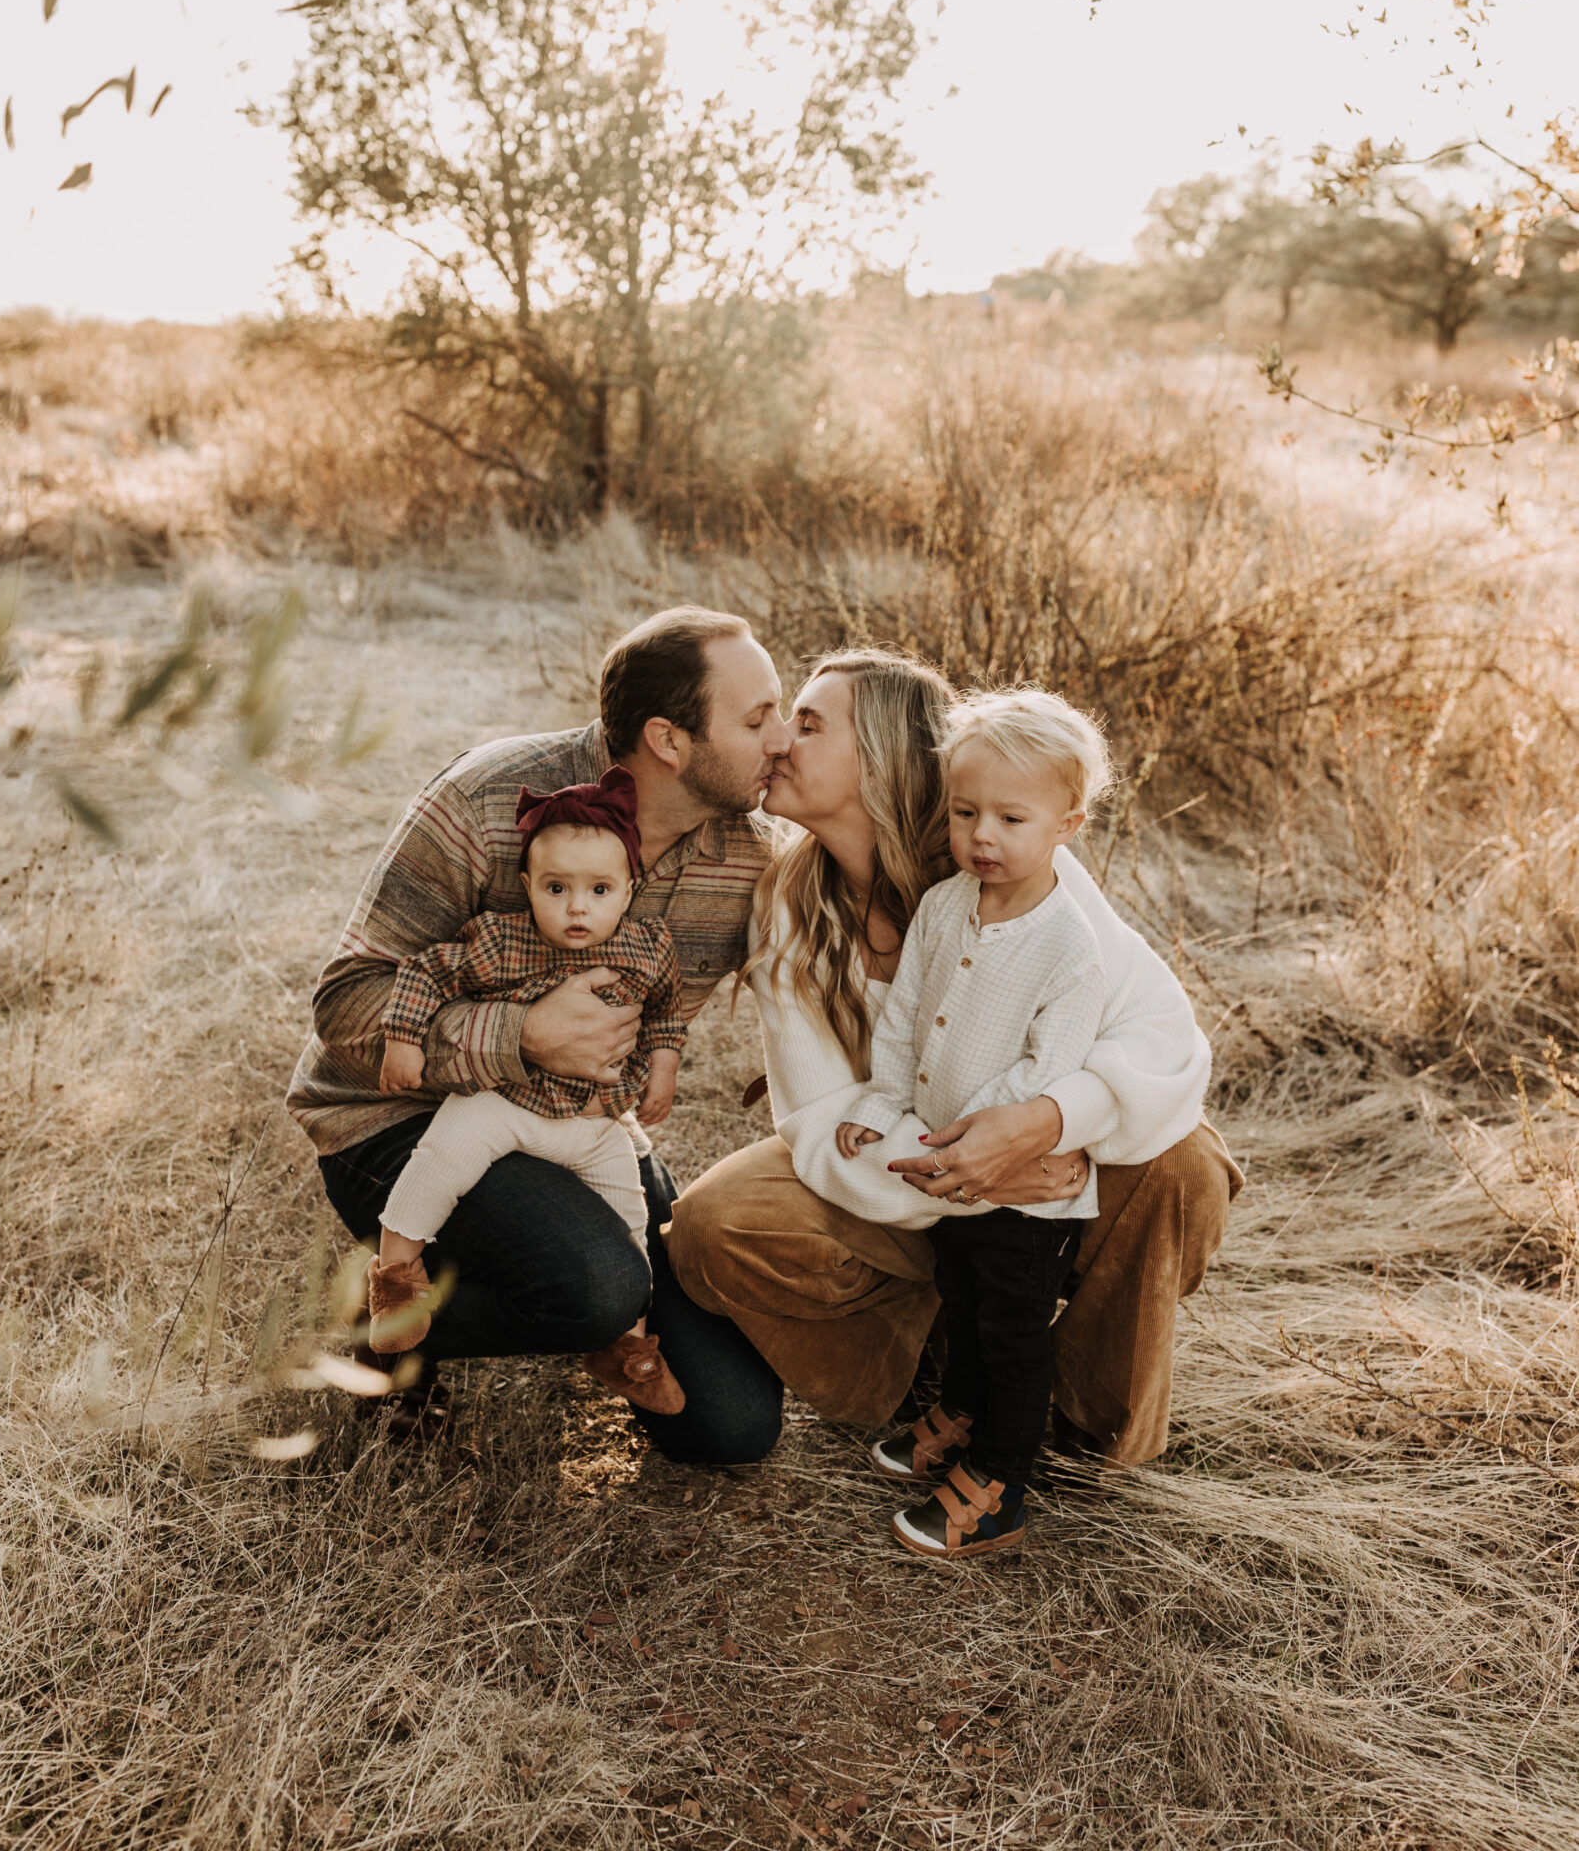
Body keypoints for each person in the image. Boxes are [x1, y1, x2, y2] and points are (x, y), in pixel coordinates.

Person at [665, 649, 1242, 1471]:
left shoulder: (1009, 857)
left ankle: (1083, 1425)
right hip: (907, 1174)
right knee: (712, 1225)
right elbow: (819, 1115)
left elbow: (1163, 1040)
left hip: (1044, 1164)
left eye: (810, 722)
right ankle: (928, 1368)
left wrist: (1044, 1126)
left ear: (882, 759)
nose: (783, 740)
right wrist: (968, 1174)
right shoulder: (789, 909)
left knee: (1182, 1165)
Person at [287, 605, 792, 1462]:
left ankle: (574, 1310)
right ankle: (394, 1324)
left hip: (583, 1123)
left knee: (729, 1427)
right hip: (397, 1124)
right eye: (757, 719)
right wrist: (522, 1033)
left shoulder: (749, 854)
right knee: (595, 1284)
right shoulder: (488, 797)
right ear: (668, 741)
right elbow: (345, 1009)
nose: (781, 739)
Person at [839, 688, 1113, 1561]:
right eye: (965, 813)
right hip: (943, 1165)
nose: (982, 836)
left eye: (1010, 817)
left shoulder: (1068, 943)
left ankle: (999, 1481)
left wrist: (979, 1143)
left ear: (1067, 824)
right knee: (958, 1297)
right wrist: (886, 1105)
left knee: (1010, 1329)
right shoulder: (944, 906)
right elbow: (906, 1015)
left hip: (1018, 1192)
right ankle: (956, 1416)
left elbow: (1052, 1069)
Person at [364, 767, 688, 1417]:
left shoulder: (648, 949)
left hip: (596, 1120)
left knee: (634, 1223)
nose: (576, 907)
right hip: (506, 1102)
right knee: (443, 1155)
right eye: (556, 887)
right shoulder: (501, 941)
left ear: (629, 890)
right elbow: (427, 972)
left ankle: (623, 1347)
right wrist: (403, 1038)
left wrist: (665, 1062)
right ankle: (397, 1277)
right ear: (527, 888)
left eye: (598, 889)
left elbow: (666, 1009)